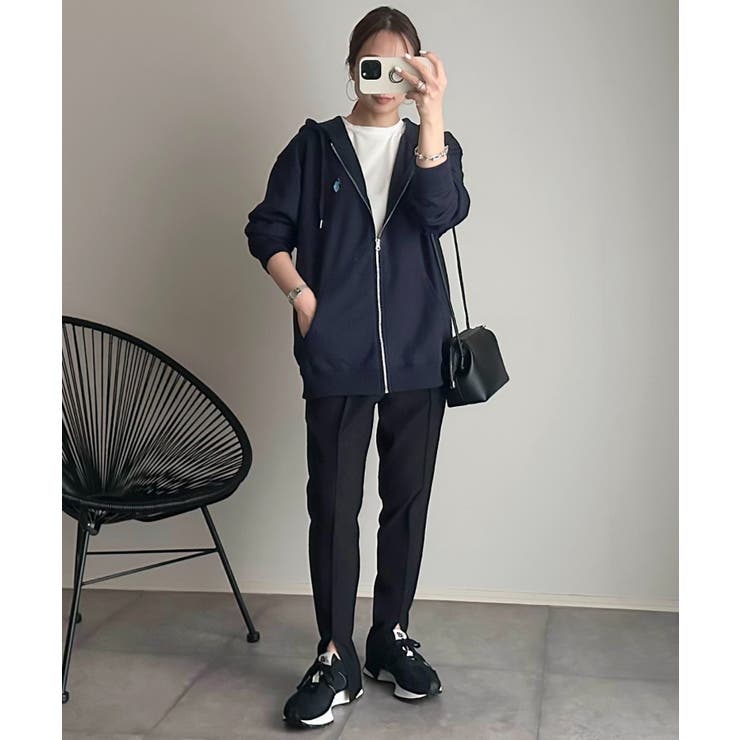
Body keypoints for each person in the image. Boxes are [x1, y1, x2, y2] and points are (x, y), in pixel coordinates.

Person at [244, 5, 470, 729]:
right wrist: (302, 296)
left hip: (419, 352)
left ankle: (389, 637)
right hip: (338, 352)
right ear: (351, 68)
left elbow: (441, 214)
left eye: (402, 68)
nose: (385, 79)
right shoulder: (314, 148)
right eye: (373, 64)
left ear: (417, 73)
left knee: (407, 501)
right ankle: (335, 653)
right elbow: (266, 229)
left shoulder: (434, 145)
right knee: (335, 507)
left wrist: (432, 116)